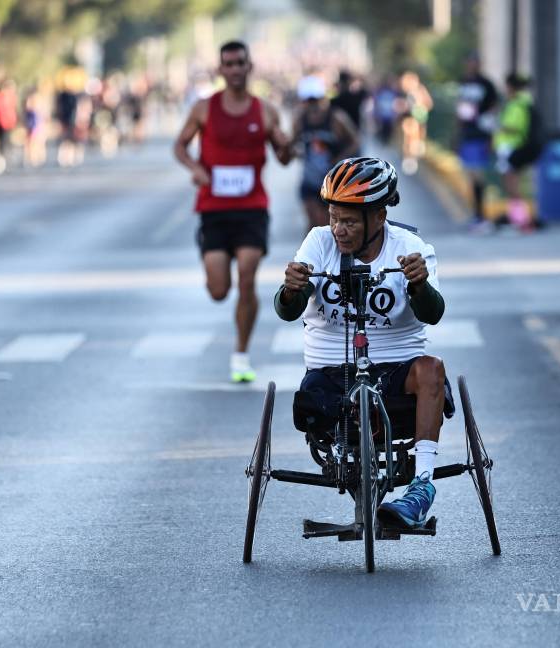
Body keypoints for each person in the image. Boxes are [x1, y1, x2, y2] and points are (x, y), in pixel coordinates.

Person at [274, 157, 449, 528]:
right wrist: (291, 289)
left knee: (433, 370)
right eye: (334, 217)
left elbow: (432, 313)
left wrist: (419, 284)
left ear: (379, 217)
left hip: (396, 369)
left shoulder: (411, 248)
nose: (338, 229)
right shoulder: (319, 242)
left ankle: (421, 486)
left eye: (349, 221)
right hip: (331, 373)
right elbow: (288, 310)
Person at [173, 40, 293, 383]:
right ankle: (217, 273)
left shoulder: (266, 111)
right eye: (229, 63)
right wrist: (195, 168)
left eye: (240, 62)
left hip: (252, 208)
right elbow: (179, 146)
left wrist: (286, 146)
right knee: (218, 290)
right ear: (221, 69)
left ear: (249, 66)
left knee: (246, 277)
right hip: (213, 209)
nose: (235, 69)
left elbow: (284, 159)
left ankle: (240, 353)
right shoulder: (203, 109)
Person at [292, 75, 360, 230]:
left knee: (327, 224)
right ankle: (310, 253)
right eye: (308, 101)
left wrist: (340, 159)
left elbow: (355, 140)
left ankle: (328, 252)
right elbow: (292, 144)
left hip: (333, 181)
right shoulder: (300, 120)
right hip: (310, 180)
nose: (312, 105)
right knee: (313, 223)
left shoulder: (336, 118)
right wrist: (296, 152)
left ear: (323, 98)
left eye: (315, 100)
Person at [454, 53, 499, 232]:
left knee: (478, 175)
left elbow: (494, 109)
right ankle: (476, 214)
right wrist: (457, 134)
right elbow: (460, 109)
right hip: (467, 134)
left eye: (474, 63)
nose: (471, 66)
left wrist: (490, 135)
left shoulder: (486, 84)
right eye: (469, 62)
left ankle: (482, 216)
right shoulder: (463, 82)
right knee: (470, 176)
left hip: (480, 135)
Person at [493, 72, 542, 233]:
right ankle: (518, 219)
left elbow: (515, 127)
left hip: (512, 149)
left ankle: (522, 221)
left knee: (512, 187)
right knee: (513, 187)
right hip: (512, 149)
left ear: (511, 86)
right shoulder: (522, 102)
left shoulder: (518, 104)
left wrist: (497, 125)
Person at [396, 71, 433, 175]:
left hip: (418, 119)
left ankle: (412, 157)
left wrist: (419, 107)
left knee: (413, 136)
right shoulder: (406, 93)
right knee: (407, 137)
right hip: (409, 118)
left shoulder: (420, 90)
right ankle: (408, 158)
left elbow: (428, 104)